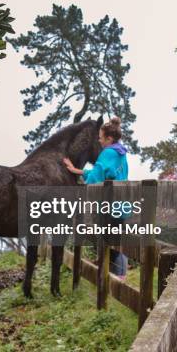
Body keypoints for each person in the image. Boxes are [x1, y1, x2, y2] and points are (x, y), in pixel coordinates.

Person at [62, 117, 129, 280]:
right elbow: (101, 173)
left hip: (108, 204)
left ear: (109, 139)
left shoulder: (107, 153)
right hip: (120, 203)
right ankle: (115, 272)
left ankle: (118, 278)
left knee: (108, 240)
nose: (98, 141)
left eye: (100, 138)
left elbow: (95, 177)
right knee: (115, 240)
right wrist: (77, 170)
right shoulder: (120, 153)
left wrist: (78, 177)